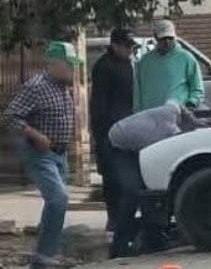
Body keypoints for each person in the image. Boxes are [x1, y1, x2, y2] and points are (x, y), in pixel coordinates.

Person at [0, 42, 82, 269]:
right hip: (39, 153)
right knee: (58, 198)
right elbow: (9, 117)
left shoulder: (63, 86)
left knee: (55, 204)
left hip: (60, 155)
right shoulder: (36, 87)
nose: (72, 70)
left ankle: (44, 258)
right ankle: (46, 254)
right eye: (68, 65)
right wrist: (34, 134)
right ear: (54, 64)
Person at [107, 100, 210, 258]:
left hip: (138, 142)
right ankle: (119, 246)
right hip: (120, 146)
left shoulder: (172, 111)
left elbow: (175, 102)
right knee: (132, 192)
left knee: (150, 190)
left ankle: (153, 238)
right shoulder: (169, 134)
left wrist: (196, 122)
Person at [89, 28, 137, 232]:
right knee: (112, 177)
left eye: (131, 46)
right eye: (126, 46)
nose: (130, 50)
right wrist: (100, 135)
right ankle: (114, 218)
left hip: (128, 128)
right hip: (109, 130)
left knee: (128, 175)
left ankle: (126, 218)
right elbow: (99, 103)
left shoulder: (128, 64)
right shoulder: (104, 66)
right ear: (115, 45)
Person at [134, 20, 204, 112]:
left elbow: (197, 88)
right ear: (155, 37)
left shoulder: (187, 59)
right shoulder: (144, 62)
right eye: (163, 39)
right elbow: (137, 92)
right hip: (150, 117)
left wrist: (191, 103)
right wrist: (137, 112)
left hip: (177, 116)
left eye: (170, 38)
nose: (167, 42)